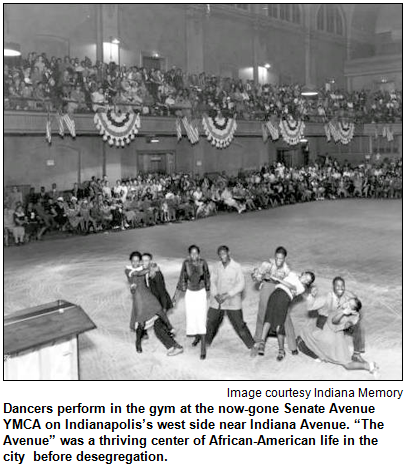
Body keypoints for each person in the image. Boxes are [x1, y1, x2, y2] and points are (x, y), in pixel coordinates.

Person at [297, 298, 378, 376]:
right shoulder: (344, 311)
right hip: (328, 335)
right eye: (347, 302)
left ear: (353, 311)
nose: (346, 304)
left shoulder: (351, 316)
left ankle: (368, 366)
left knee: (346, 364)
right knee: (310, 337)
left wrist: (344, 315)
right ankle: (369, 366)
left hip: (334, 339)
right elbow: (333, 318)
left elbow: (335, 321)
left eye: (349, 305)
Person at [125, 251, 183, 356]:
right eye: (142, 260)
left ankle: (174, 344)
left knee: (158, 328)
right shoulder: (138, 270)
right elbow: (137, 276)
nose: (143, 262)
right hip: (144, 301)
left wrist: (164, 308)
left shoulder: (155, 273)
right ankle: (171, 344)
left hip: (158, 301)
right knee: (149, 325)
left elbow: (162, 291)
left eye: (145, 260)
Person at [258, 270, 316, 360]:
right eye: (306, 276)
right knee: (268, 319)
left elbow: (291, 286)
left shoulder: (301, 288)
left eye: (307, 281)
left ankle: (281, 350)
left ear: (307, 283)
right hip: (275, 294)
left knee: (279, 325)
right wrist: (268, 278)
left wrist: (278, 280)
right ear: (303, 273)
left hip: (284, 298)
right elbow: (279, 276)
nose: (305, 280)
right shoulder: (292, 274)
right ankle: (262, 343)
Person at [205, 245, 254, 350]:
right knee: (211, 322)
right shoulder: (216, 266)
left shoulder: (236, 266)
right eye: (220, 254)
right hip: (217, 301)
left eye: (224, 253)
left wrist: (228, 295)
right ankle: (206, 343)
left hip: (232, 301)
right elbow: (212, 281)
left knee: (239, 325)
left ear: (229, 253)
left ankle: (251, 345)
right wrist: (215, 294)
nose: (222, 256)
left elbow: (241, 284)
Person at [307, 276, 366, 363]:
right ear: (333, 286)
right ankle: (323, 352)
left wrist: (351, 320)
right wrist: (312, 296)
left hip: (339, 321)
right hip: (324, 321)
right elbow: (310, 307)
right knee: (332, 342)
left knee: (357, 327)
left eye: (342, 286)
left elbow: (355, 305)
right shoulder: (325, 298)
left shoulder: (346, 297)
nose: (340, 288)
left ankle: (356, 354)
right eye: (337, 286)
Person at [174, 245, 210, 359]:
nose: (194, 255)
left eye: (196, 253)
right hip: (190, 294)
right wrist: (175, 296)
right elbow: (182, 278)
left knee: (201, 317)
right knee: (192, 317)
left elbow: (207, 276)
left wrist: (209, 290)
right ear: (189, 254)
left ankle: (203, 346)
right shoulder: (186, 263)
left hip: (200, 293)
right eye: (192, 253)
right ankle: (197, 337)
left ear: (199, 254)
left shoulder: (203, 262)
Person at [251, 246, 290, 343]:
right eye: (277, 258)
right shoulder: (267, 265)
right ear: (274, 256)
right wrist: (263, 276)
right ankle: (257, 339)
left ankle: (275, 334)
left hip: (278, 291)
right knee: (262, 313)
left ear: (285, 258)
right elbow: (255, 277)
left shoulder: (287, 270)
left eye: (281, 258)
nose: (278, 260)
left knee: (279, 314)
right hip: (267, 288)